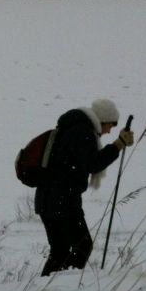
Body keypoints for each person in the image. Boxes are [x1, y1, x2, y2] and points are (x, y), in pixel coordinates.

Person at [34, 99, 134, 276]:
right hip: (63, 201)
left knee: (60, 250)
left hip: (48, 198)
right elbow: (93, 163)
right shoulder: (83, 132)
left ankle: (47, 287)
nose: (109, 130)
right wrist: (118, 144)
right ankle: (65, 284)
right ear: (102, 120)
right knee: (82, 245)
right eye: (110, 125)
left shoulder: (72, 128)